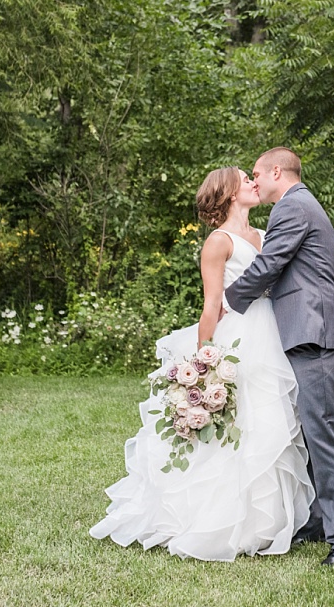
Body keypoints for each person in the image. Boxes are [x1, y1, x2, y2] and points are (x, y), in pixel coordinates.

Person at [89, 166, 314, 561]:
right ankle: (218, 519)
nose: (252, 181)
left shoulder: (264, 236)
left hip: (272, 335)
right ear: (228, 193)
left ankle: (267, 522)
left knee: (267, 421)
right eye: (245, 178)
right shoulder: (217, 242)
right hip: (237, 336)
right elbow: (212, 303)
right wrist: (204, 357)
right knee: (234, 423)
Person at [223, 147, 334, 567]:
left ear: (276, 172)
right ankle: (320, 521)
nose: (254, 181)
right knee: (309, 430)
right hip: (309, 332)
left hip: (316, 333)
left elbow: (270, 264)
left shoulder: (292, 208)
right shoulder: (301, 205)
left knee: (322, 433)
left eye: (256, 174)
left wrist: (227, 303)